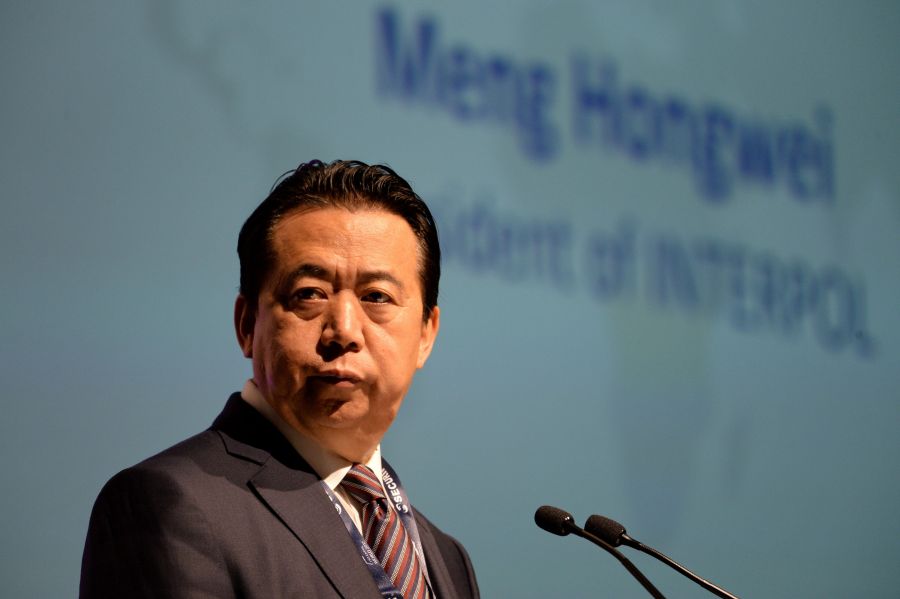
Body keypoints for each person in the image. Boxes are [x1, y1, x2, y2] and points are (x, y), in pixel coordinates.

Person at [80, 159, 480, 598]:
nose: (344, 329)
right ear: (247, 324)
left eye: (376, 297)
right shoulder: (169, 505)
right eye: (309, 294)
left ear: (426, 333)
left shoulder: (446, 558)